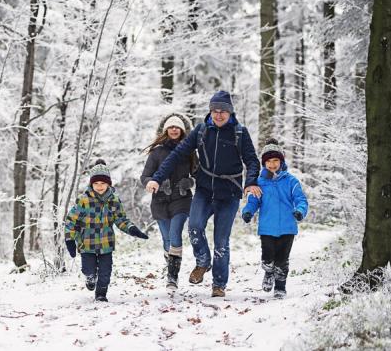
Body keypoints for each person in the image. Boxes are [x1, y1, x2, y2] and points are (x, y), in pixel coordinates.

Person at [145, 90, 261, 298]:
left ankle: (218, 284)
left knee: (221, 240)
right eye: (215, 111)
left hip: (229, 192)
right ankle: (202, 262)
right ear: (210, 111)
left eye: (223, 111)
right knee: (195, 226)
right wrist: (157, 177)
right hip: (205, 190)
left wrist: (250, 181)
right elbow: (176, 155)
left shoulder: (239, 133)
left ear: (230, 112)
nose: (218, 115)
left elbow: (252, 160)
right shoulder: (200, 131)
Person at [65, 159, 149, 302]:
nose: (99, 186)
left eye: (103, 183)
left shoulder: (113, 200)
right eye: (96, 183)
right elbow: (71, 220)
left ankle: (101, 294)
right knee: (88, 269)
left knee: (105, 272)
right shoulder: (83, 200)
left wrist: (132, 229)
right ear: (91, 183)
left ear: (108, 183)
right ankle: (90, 278)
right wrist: (70, 239)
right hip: (87, 243)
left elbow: (121, 219)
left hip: (106, 243)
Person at [240, 139, 308, 299]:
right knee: (268, 257)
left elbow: (301, 199)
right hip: (267, 228)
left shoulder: (291, 181)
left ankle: (280, 287)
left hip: (287, 227)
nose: (272, 164)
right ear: (264, 163)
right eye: (269, 161)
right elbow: (253, 200)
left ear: (281, 161)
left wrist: (300, 211)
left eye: (275, 160)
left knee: (282, 260)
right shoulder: (259, 182)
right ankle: (268, 272)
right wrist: (248, 211)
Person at [140, 113, 196, 290]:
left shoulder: (189, 151)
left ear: (181, 131)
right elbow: (145, 176)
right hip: (160, 201)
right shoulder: (156, 152)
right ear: (165, 131)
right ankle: (172, 263)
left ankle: (172, 276)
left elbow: (198, 174)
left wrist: (190, 182)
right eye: (171, 127)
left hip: (181, 198)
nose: (174, 129)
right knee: (166, 239)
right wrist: (152, 183)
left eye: (177, 127)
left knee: (174, 234)